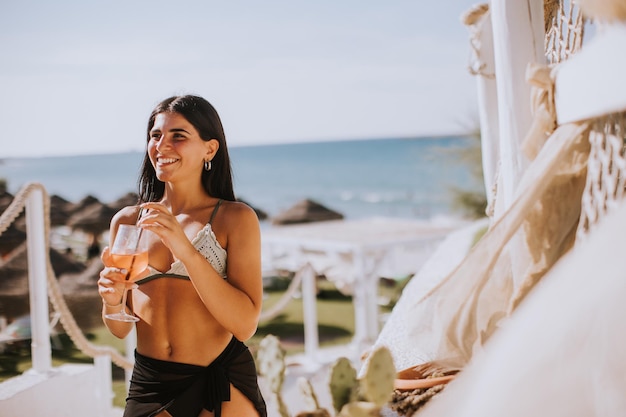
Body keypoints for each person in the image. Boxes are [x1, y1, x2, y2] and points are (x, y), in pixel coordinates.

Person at [97, 95, 267, 417]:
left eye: (179, 136)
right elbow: (119, 329)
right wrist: (112, 300)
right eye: (156, 135)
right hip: (150, 382)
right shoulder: (127, 221)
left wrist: (185, 250)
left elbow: (245, 325)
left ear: (210, 149)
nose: (162, 145)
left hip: (219, 381)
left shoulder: (235, 218)